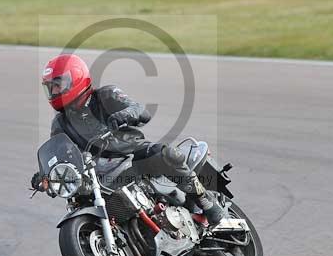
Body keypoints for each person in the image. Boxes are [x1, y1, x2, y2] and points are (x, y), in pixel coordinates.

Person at [31, 53, 225, 224]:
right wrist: (46, 174)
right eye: (51, 87)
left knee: (165, 154)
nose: (55, 92)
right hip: (99, 174)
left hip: (130, 153)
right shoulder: (60, 123)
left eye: (58, 85)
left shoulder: (105, 95)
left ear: (77, 79)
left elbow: (140, 110)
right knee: (80, 199)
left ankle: (205, 201)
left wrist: (125, 115)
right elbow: (60, 153)